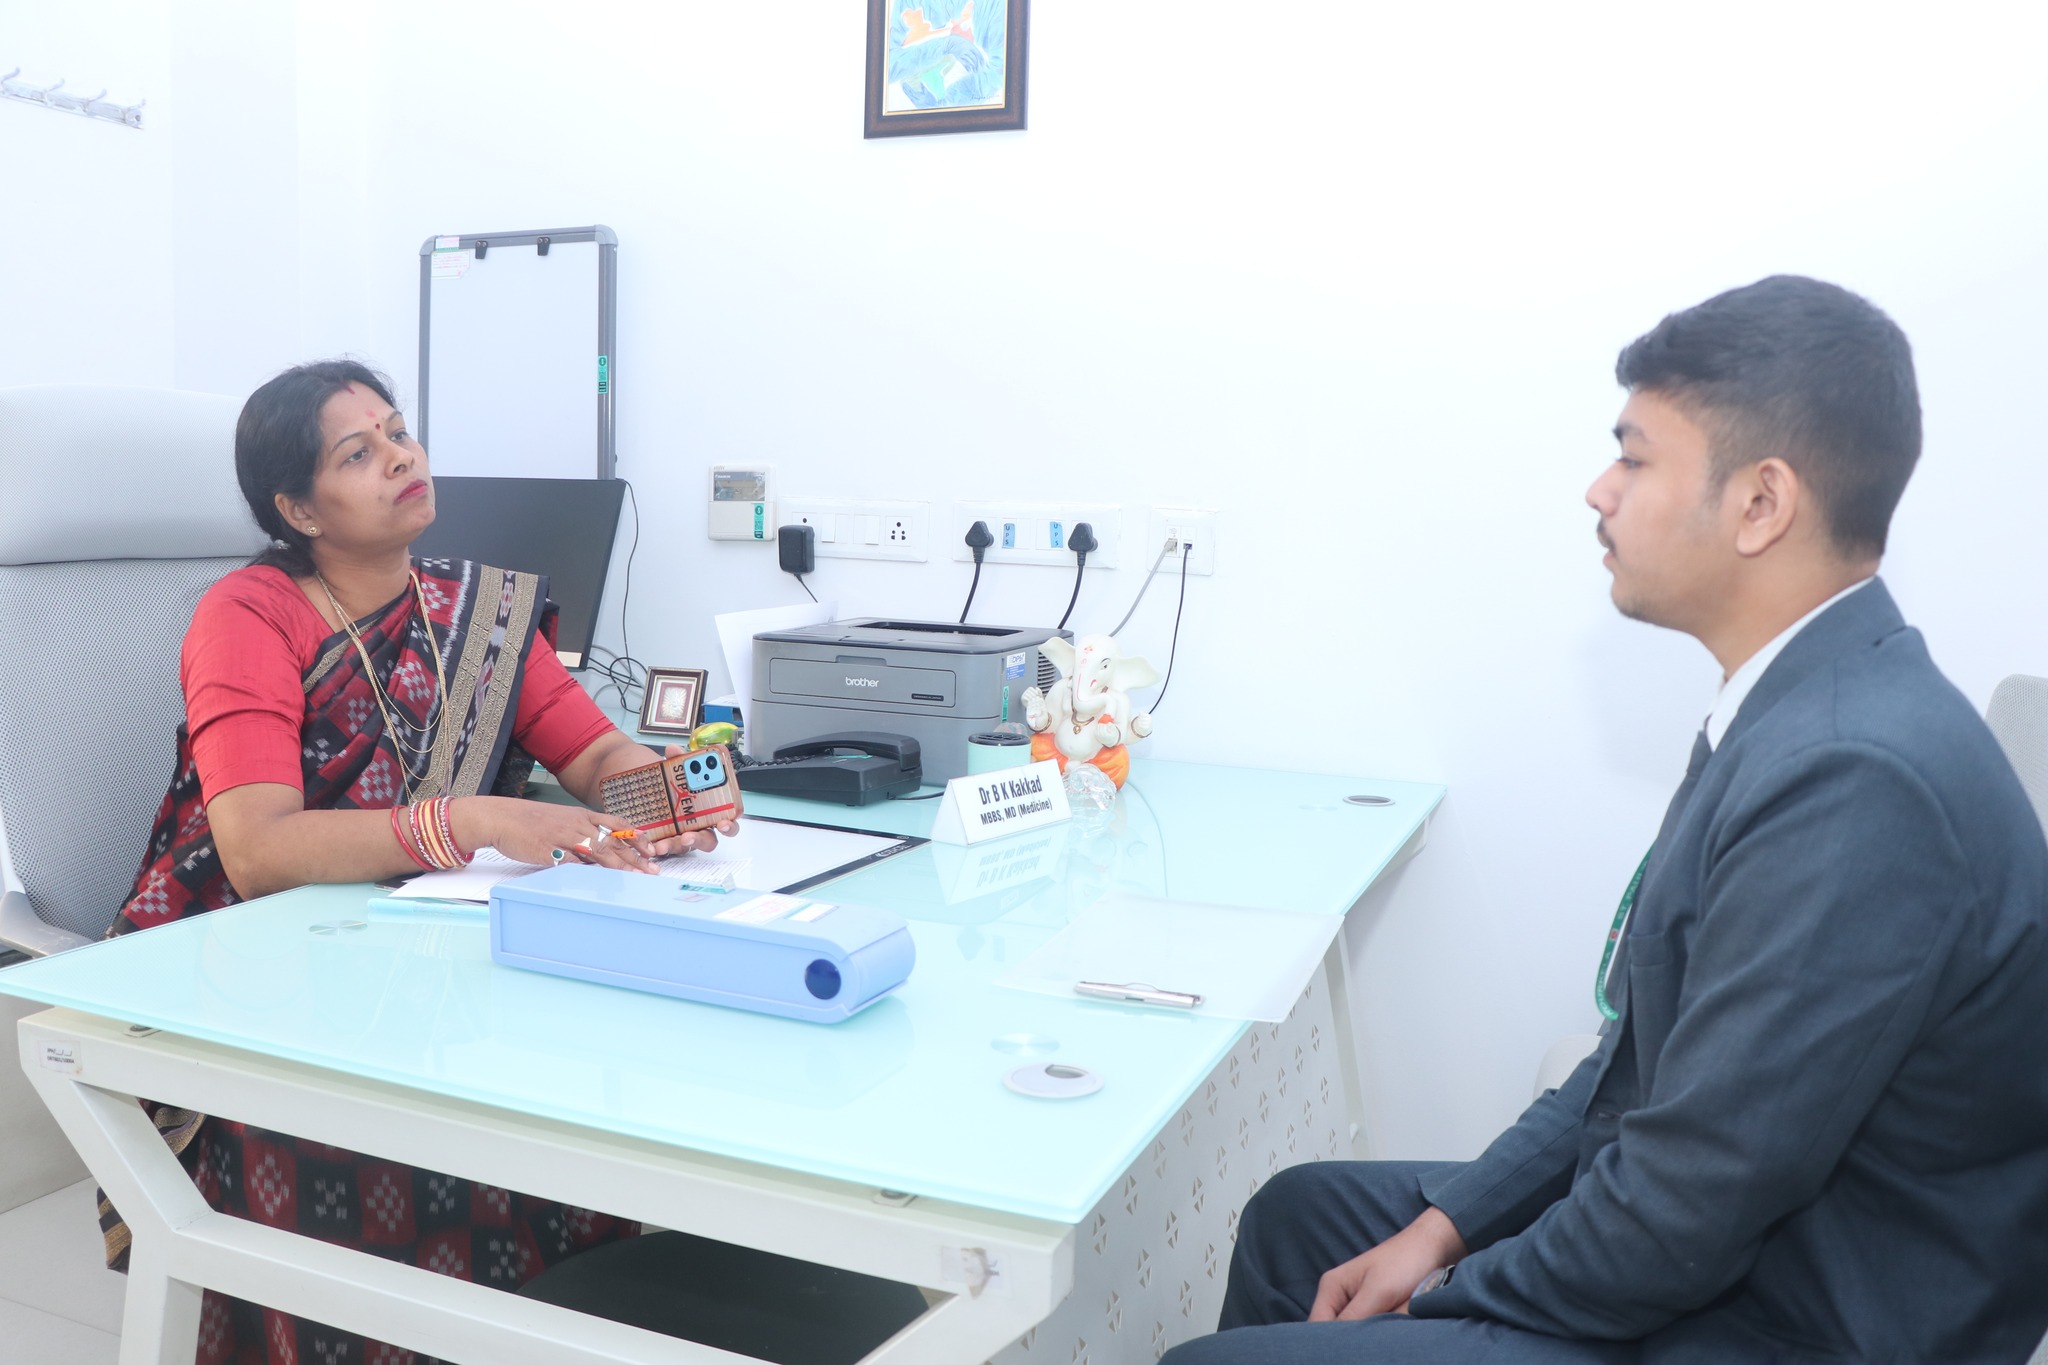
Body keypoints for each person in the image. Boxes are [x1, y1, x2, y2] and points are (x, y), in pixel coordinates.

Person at [1163, 277, 2048, 1364]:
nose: (1598, 490)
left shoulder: (1853, 777)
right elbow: (1637, 1060)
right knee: (1298, 1221)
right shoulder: (1798, 701)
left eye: (1633, 458)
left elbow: (1676, 1216)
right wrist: (1442, 1229)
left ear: (1759, 503)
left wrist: (1444, 1292)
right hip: (1730, 1243)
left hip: (1798, 1322)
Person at [102, 359, 734, 1365]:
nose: (401, 457)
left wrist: (665, 796)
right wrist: (470, 820)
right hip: (257, 964)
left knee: (568, 1075)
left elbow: (595, 756)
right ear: (298, 509)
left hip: (429, 946)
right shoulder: (249, 614)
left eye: (399, 433)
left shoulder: (478, 610)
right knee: (354, 1126)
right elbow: (256, 849)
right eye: (359, 453)